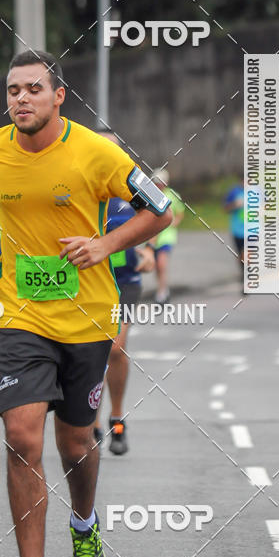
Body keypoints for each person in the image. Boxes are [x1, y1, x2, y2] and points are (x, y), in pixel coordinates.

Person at [0, 50, 173, 557]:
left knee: (75, 444)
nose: (20, 99)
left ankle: (84, 524)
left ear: (59, 97)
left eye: (33, 88)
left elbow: (162, 209)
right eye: (12, 90)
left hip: (88, 317)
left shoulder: (98, 152)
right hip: (22, 316)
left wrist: (103, 245)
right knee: (22, 435)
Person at [93, 131, 156, 456]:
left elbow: (159, 215)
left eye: (113, 149)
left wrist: (148, 251)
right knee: (87, 350)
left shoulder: (134, 181)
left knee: (115, 348)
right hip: (86, 277)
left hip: (124, 280)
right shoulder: (77, 179)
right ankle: (89, 419)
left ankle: (117, 417)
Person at [148, 169, 185, 304]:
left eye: (161, 182)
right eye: (156, 182)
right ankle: (162, 288)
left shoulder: (173, 195)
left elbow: (180, 212)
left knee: (161, 263)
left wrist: (175, 222)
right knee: (156, 266)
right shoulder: (150, 195)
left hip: (167, 236)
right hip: (153, 236)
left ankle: (161, 292)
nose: (158, 185)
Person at [224, 175, 245, 274]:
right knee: (241, 256)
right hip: (238, 231)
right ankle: (244, 275)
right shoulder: (234, 192)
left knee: (248, 254)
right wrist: (235, 205)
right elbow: (225, 209)